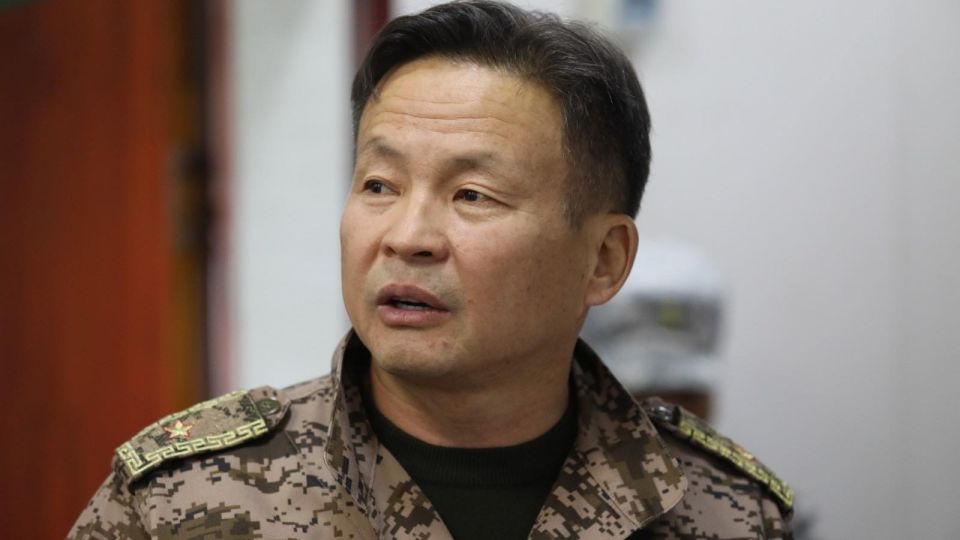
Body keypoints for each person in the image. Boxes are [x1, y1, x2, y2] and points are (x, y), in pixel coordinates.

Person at [69, 2, 793, 538]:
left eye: (472, 195)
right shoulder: (183, 501)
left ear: (603, 260)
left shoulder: (721, 512)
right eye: (378, 185)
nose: (407, 237)